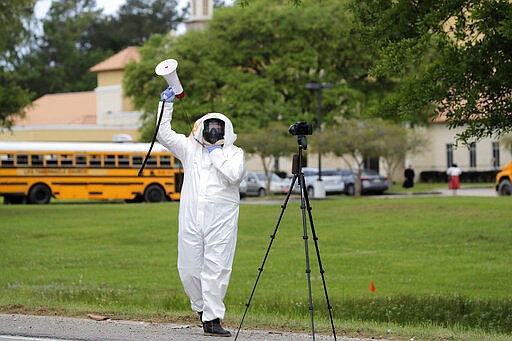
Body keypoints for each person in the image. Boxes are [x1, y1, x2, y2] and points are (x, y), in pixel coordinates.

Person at [156, 86, 246, 337]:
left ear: (226, 130)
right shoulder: (189, 148)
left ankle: (213, 319)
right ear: (201, 128)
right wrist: (166, 106)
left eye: (218, 127)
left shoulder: (234, 153)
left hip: (222, 218)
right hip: (191, 217)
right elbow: (163, 134)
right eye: (210, 126)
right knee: (188, 268)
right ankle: (201, 308)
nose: (214, 131)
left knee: (216, 268)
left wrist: (215, 152)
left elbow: (233, 175)